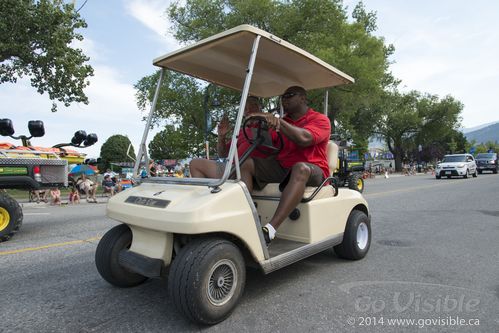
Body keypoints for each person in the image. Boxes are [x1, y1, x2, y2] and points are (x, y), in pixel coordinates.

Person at [241, 86, 331, 244]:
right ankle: (248, 219)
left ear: (303, 98)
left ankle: (270, 229)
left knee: (300, 168)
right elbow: (270, 147)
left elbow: (304, 139)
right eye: (283, 96)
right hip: (283, 167)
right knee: (248, 164)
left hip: (313, 169)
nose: (284, 99)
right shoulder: (282, 122)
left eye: (289, 95)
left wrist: (279, 122)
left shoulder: (319, 119)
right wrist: (259, 125)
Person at [190, 96, 269, 178]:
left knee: (196, 164)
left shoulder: (269, 126)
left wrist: (262, 118)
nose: (248, 110)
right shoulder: (242, 131)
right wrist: (221, 137)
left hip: (251, 168)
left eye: (253, 106)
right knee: (195, 163)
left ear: (260, 108)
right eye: (245, 108)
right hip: (232, 168)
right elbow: (222, 154)